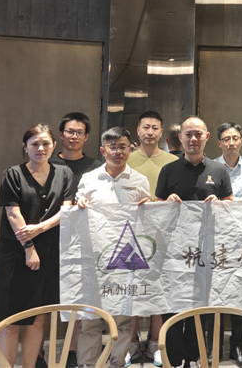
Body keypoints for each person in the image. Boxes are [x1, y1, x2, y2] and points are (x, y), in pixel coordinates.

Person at [0, 124, 73, 368]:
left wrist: (40, 228)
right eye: (34, 144)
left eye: (45, 143)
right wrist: (29, 247)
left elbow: (66, 210)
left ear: (54, 146)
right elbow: (13, 214)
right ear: (25, 147)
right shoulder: (13, 174)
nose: (40, 148)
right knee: (11, 321)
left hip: (49, 253)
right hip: (16, 254)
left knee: (38, 319)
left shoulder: (64, 172)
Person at [155, 117, 233, 368]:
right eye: (188, 134)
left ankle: (195, 357)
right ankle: (173, 359)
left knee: (201, 307)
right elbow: (156, 206)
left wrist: (219, 204)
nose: (193, 139)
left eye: (198, 134)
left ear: (207, 137)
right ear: (180, 138)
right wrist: (166, 202)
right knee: (172, 305)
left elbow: (231, 206)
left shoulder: (219, 170)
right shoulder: (168, 170)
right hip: (174, 253)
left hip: (207, 252)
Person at [75, 127, 151, 368]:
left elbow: (146, 220)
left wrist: (149, 207)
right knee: (90, 319)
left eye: (123, 147)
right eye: (112, 147)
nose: (118, 152)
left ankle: (118, 362)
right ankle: (87, 364)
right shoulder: (89, 179)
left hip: (124, 260)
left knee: (124, 319)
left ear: (130, 149)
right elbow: (76, 214)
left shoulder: (140, 180)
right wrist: (79, 203)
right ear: (103, 150)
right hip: (93, 259)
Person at [49, 112, 101, 367]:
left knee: (78, 295)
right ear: (61, 134)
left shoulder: (95, 166)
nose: (74, 136)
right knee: (47, 296)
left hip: (82, 240)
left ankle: (71, 350)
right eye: (70, 131)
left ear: (86, 137)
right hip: (49, 237)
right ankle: (41, 351)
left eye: (79, 132)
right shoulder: (48, 163)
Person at [125, 111, 178, 365]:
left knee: (159, 288)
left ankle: (156, 342)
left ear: (161, 132)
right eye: (145, 127)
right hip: (129, 234)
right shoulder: (126, 158)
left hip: (163, 235)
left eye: (155, 128)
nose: (150, 132)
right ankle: (132, 342)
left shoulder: (173, 161)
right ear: (138, 131)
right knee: (131, 289)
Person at [209, 122, 242, 368]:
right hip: (216, 238)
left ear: (241, 141)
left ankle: (238, 346)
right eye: (226, 139)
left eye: (235, 138)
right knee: (215, 294)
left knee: (240, 293)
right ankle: (214, 346)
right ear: (219, 143)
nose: (231, 143)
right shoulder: (211, 167)